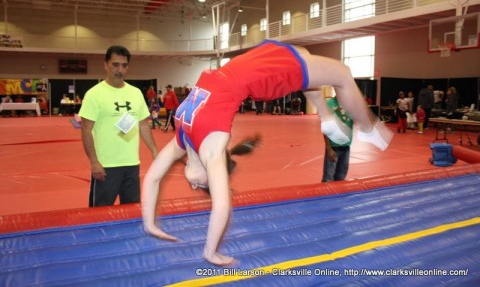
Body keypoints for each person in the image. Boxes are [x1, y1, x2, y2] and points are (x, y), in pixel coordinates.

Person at [141, 40, 393, 266]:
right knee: (343, 73)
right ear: (214, 171)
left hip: (250, 64)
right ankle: (369, 128)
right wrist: (211, 251)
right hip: (259, 75)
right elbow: (221, 206)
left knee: (301, 53)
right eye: (203, 187)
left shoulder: (181, 140)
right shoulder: (211, 150)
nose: (195, 186)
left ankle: (326, 116)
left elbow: (152, 178)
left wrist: (149, 223)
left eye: (198, 188)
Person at [79, 45, 158, 207]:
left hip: (131, 165)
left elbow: (143, 124)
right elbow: (86, 129)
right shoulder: (94, 94)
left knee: (131, 212)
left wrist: (154, 150)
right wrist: (94, 162)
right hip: (106, 166)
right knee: (99, 214)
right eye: (115, 65)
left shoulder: (135, 93)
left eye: (124, 65)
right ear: (106, 65)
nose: (119, 69)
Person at [320, 86, 353, 182]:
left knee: (341, 178)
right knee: (328, 178)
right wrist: (329, 148)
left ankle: (338, 197)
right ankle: (325, 196)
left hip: (346, 146)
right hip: (334, 147)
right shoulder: (329, 104)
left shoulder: (350, 105)